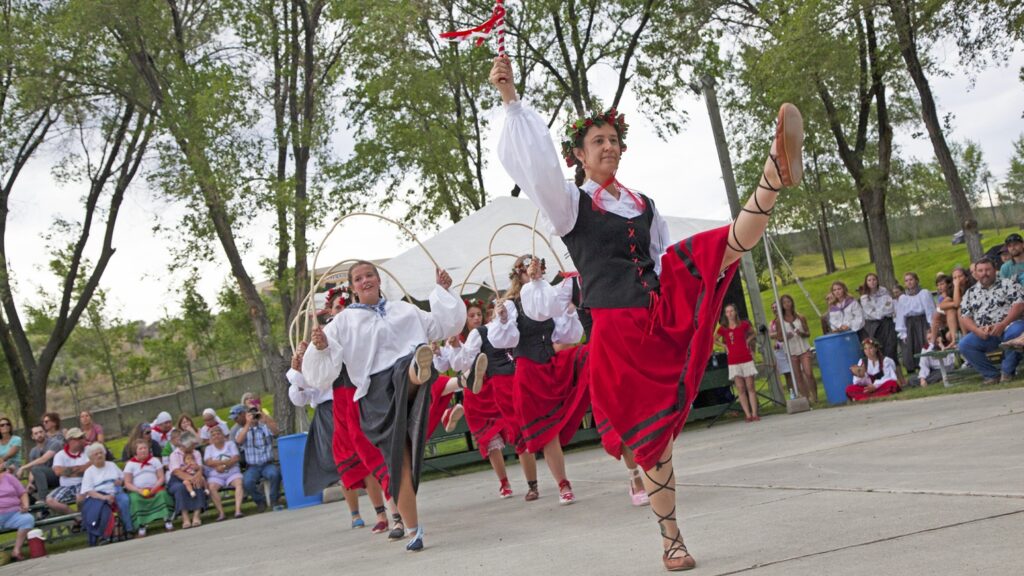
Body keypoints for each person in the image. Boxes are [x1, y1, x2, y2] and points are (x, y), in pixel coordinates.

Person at [491, 53, 802, 570]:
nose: (609, 146)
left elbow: (657, 257)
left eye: (614, 140)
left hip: (657, 311)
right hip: (618, 332)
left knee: (714, 249)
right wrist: (510, 98)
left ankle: (775, 171)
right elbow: (537, 164)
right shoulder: (569, 203)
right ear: (579, 155)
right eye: (598, 141)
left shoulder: (644, 203)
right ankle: (671, 538)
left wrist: (684, 290)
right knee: (654, 443)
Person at [302, 261, 466, 552]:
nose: (364, 281)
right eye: (358, 278)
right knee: (397, 461)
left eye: (369, 275)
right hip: (375, 396)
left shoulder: (404, 309)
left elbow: (442, 325)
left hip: (406, 376)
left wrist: (442, 291)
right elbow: (320, 374)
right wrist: (321, 346)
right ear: (353, 287)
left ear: (378, 280)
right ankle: (413, 530)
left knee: (408, 363)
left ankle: (420, 367)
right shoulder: (342, 322)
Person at [490, 256, 588, 505]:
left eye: (539, 269)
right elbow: (505, 341)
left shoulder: (549, 299)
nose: (535, 273)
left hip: (550, 366)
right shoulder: (511, 305)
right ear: (519, 274)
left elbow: (571, 335)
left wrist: (568, 310)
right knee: (547, 433)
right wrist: (501, 319)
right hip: (529, 372)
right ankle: (563, 484)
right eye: (529, 270)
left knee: (589, 357)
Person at [442, 300, 521, 499]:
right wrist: (452, 347)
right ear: (464, 320)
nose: (476, 318)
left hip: (495, 388)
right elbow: (454, 363)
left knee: (513, 429)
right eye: (471, 315)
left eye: (478, 314)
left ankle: (530, 480)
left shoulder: (492, 331)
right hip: (476, 392)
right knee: (490, 439)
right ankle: (504, 482)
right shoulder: (458, 339)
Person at [286, 344, 341, 499]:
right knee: (334, 458)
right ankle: (354, 512)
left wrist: (295, 374)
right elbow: (299, 399)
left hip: (340, 406)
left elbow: (318, 381)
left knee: (349, 455)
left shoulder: (325, 362)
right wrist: (296, 373)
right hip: (325, 413)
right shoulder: (305, 372)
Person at [958, 258, 1024, 384]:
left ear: (995, 270)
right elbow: (965, 316)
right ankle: (991, 375)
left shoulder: (1008, 284)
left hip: (1008, 326)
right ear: (975, 274)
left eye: (988, 270)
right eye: (980, 270)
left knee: (1017, 332)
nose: (984, 273)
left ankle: (1007, 372)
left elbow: (1019, 305)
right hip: (985, 333)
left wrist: (1003, 324)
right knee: (965, 344)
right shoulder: (970, 292)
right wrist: (976, 330)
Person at [230, 402, 282, 512]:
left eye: (255, 414)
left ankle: (274, 500)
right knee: (247, 481)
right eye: (251, 414)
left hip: (267, 464)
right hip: (252, 467)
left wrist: (265, 418)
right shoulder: (242, 430)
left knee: (275, 474)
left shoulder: (265, 427)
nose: (254, 416)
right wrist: (248, 424)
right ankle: (260, 501)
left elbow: (276, 432)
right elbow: (239, 441)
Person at [78, 442, 133, 543]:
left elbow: (123, 479)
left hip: (116, 492)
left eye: (101, 453)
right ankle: (107, 535)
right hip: (99, 496)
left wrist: (120, 482)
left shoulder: (111, 465)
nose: (99, 455)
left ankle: (128, 530)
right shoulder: (89, 472)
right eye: (96, 454)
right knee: (103, 508)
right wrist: (104, 498)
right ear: (91, 458)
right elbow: (89, 491)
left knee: (124, 500)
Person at [716, 304, 759, 422]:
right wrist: (724, 345)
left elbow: (753, 332)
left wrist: (748, 340)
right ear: (725, 314)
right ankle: (748, 414)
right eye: (727, 312)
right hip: (733, 360)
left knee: (750, 386)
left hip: (746, 358)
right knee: (740, 388)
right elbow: (714, 339)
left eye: (731, 311)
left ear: (735, 312)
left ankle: (754, 413)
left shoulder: (744, 324)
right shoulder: (723, 328)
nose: (729, 314)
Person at [123, 439, 174, 537]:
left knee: (162, 494)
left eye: (145, 448)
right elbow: (127, 483)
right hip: (139, 491)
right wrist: (139, 490)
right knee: (135, 499)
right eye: (140, 448)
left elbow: (161, 477)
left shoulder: (154, 461)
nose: (143, 450)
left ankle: (167, 520)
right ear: (135, 451)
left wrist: (154, 488)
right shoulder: (130, 464)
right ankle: (142, 525)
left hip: (155, 488)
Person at [772, 295, 818, 403]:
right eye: (784, 303)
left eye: (789, 302)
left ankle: (815, 395)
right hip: (791, 350)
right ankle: (806, 398)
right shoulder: (779, 321)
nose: (787, 304)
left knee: (808, 373)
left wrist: (801, 333)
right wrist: (785, 336)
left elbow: (808, 333)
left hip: (803, 348)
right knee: (797, 376)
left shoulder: (800, 317)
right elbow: (778, 337)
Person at [895, 272, 935, 373]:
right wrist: (903, 332)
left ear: (916, 280)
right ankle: (915, 368)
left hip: (922, 321)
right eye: (906, 280)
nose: (909, 282)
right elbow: (900, 316)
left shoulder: (924, 293)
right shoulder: (903, 298)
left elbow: (930, 310)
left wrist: (931, 325)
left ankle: (930, 366)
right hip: (910, 324)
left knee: (924, 343)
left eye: (911, 280)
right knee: (911, 345)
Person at [45, 427, 89, 517]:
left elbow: (90, 467)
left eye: (82, 437)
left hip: (84, 483)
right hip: (66, 486)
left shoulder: (89, 449)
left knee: (80, 498)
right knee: (50, 500)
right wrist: (80, 469)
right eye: (79, 438)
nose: (83, 440)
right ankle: (77, 517)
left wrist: (68, 471)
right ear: (70, 441)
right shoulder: (60, 455)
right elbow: (58, 471)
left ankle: (82, 520)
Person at [203, 426, 244, 521]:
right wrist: (223, 463)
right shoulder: (209, 449)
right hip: (216, 475)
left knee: (239, 483)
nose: (216, 436)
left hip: (232, 472)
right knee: (212, 487)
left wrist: (223, 466)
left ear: (223, 435)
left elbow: (236, 458)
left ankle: (238, 511)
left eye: (218, 434)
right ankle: (221, 513)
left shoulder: (230, 444)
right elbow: (208, 462)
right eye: (213, 435)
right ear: (211, 438)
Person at [167, 431, 207, 528]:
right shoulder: (174, 454)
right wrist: (192, 479)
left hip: (194, 475)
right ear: (185, 445)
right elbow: (177, 472)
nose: (194, 447)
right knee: (181, 488)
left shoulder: (196, 453)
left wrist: (197, 476)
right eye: (192, 445)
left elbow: (200, 467)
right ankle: (185, 518)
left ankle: (196, 516)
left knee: (198, 484)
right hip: (177, 480)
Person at [859, 273, 898, 362]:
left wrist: (879, 310)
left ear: (877, 281)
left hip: (887, 323)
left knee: (891, 348)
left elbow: (889, 307)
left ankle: (895, 372)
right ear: (866, 282)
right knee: (880, 349)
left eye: (874, 279)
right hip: (874, 326)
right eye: (869, 280)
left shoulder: (884, 292)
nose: (872, 282)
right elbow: (870, 312)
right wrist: (881, 311)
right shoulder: (865, 298)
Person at [18, 425, 60, 503]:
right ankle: (41, 510)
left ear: (45, 433)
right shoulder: (33, 451)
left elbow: (43, 459)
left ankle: (43, 499)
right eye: (36, 433)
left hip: (57, 475)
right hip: (42, 479)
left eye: (41, 432)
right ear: (32, 436)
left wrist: (23, 467)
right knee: (25, 493)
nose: (39, 435)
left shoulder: (55, 443)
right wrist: (30, 483)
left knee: (37, 469)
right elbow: (32, 471)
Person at [0, 463, 33, 560]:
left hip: (13, 513)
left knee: (27, 519)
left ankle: (16, 551)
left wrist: (26, 505)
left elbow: (22, 492)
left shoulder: (9, 478)